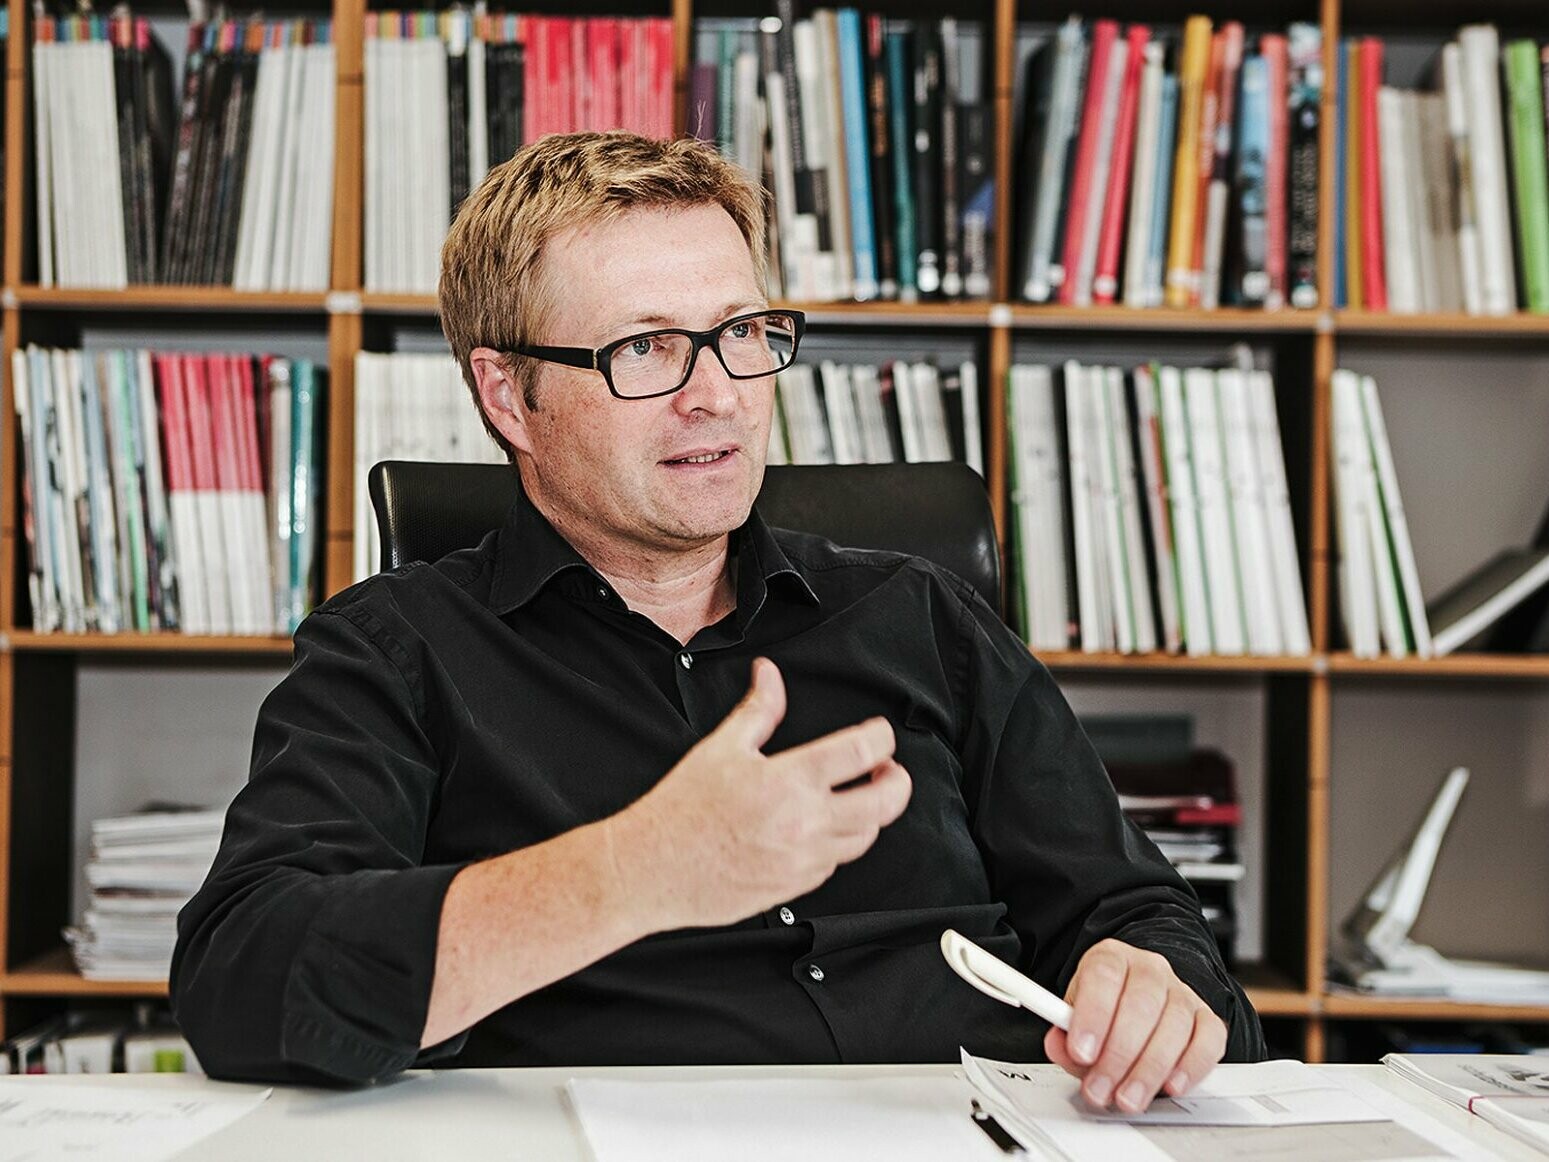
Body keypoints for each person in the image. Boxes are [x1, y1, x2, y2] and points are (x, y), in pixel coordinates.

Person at [172, 132, 1264, 1102]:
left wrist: (1154, 983)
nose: (720, 392)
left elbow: (1135, 912)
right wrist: (630, 874)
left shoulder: (922, 615)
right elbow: (242, 985)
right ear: (509, 396)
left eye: (743, 330)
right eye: (646, 346)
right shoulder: (396, 651)